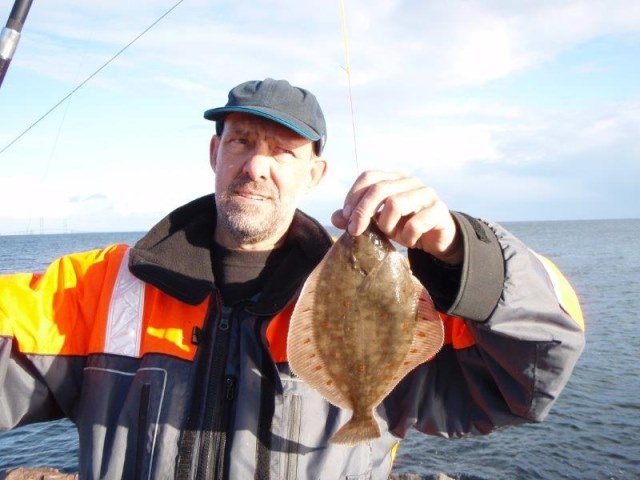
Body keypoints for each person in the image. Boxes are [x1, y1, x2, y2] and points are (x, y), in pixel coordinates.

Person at [0, 78, 585, 480]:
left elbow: (533, 369)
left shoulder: (418, 297)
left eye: (283, 150)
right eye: (242, 142)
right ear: (215, 152)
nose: (256, 164)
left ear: (316, 172)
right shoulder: (101, 285)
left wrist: (462, 254)